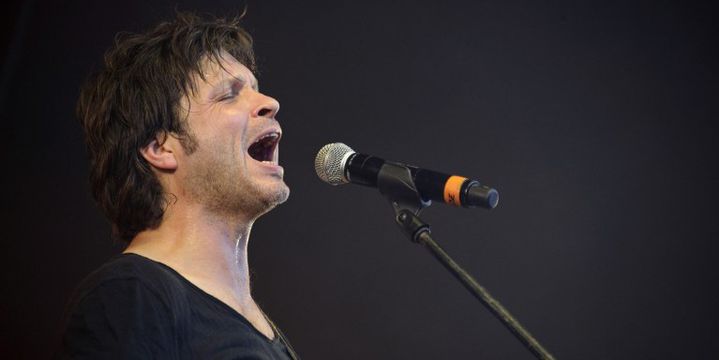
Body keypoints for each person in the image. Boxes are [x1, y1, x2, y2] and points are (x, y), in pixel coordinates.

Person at [58, 12, 299, 359]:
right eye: (229, 95)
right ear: (161, 147)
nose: (269, 103)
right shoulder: (129, 298)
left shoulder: (266, 330)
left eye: (255, 89)